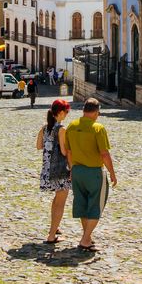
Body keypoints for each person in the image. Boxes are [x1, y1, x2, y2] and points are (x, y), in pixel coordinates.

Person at [65, 98, 117, 251]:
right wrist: (112, 173)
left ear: (83, 110)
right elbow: (104, 154)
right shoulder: (98, 128)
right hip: (94, 172)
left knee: (82, 204)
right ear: (96, 112)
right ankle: (85, 239)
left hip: (77, 171)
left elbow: (68, 152)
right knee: (96, 206)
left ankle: (87, 236)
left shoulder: (72, 126)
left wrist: (72, 168)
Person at [36, 99, 72, 243]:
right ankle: (51, 236)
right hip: (61, 170)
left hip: (47, 169)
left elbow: (39, 146)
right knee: (61, 201)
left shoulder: (44, 128)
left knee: (56, 200)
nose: (67, 115)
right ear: (61, 112)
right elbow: (64, 151)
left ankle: (54, 227)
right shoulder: (61, 129)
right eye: (66, 112)